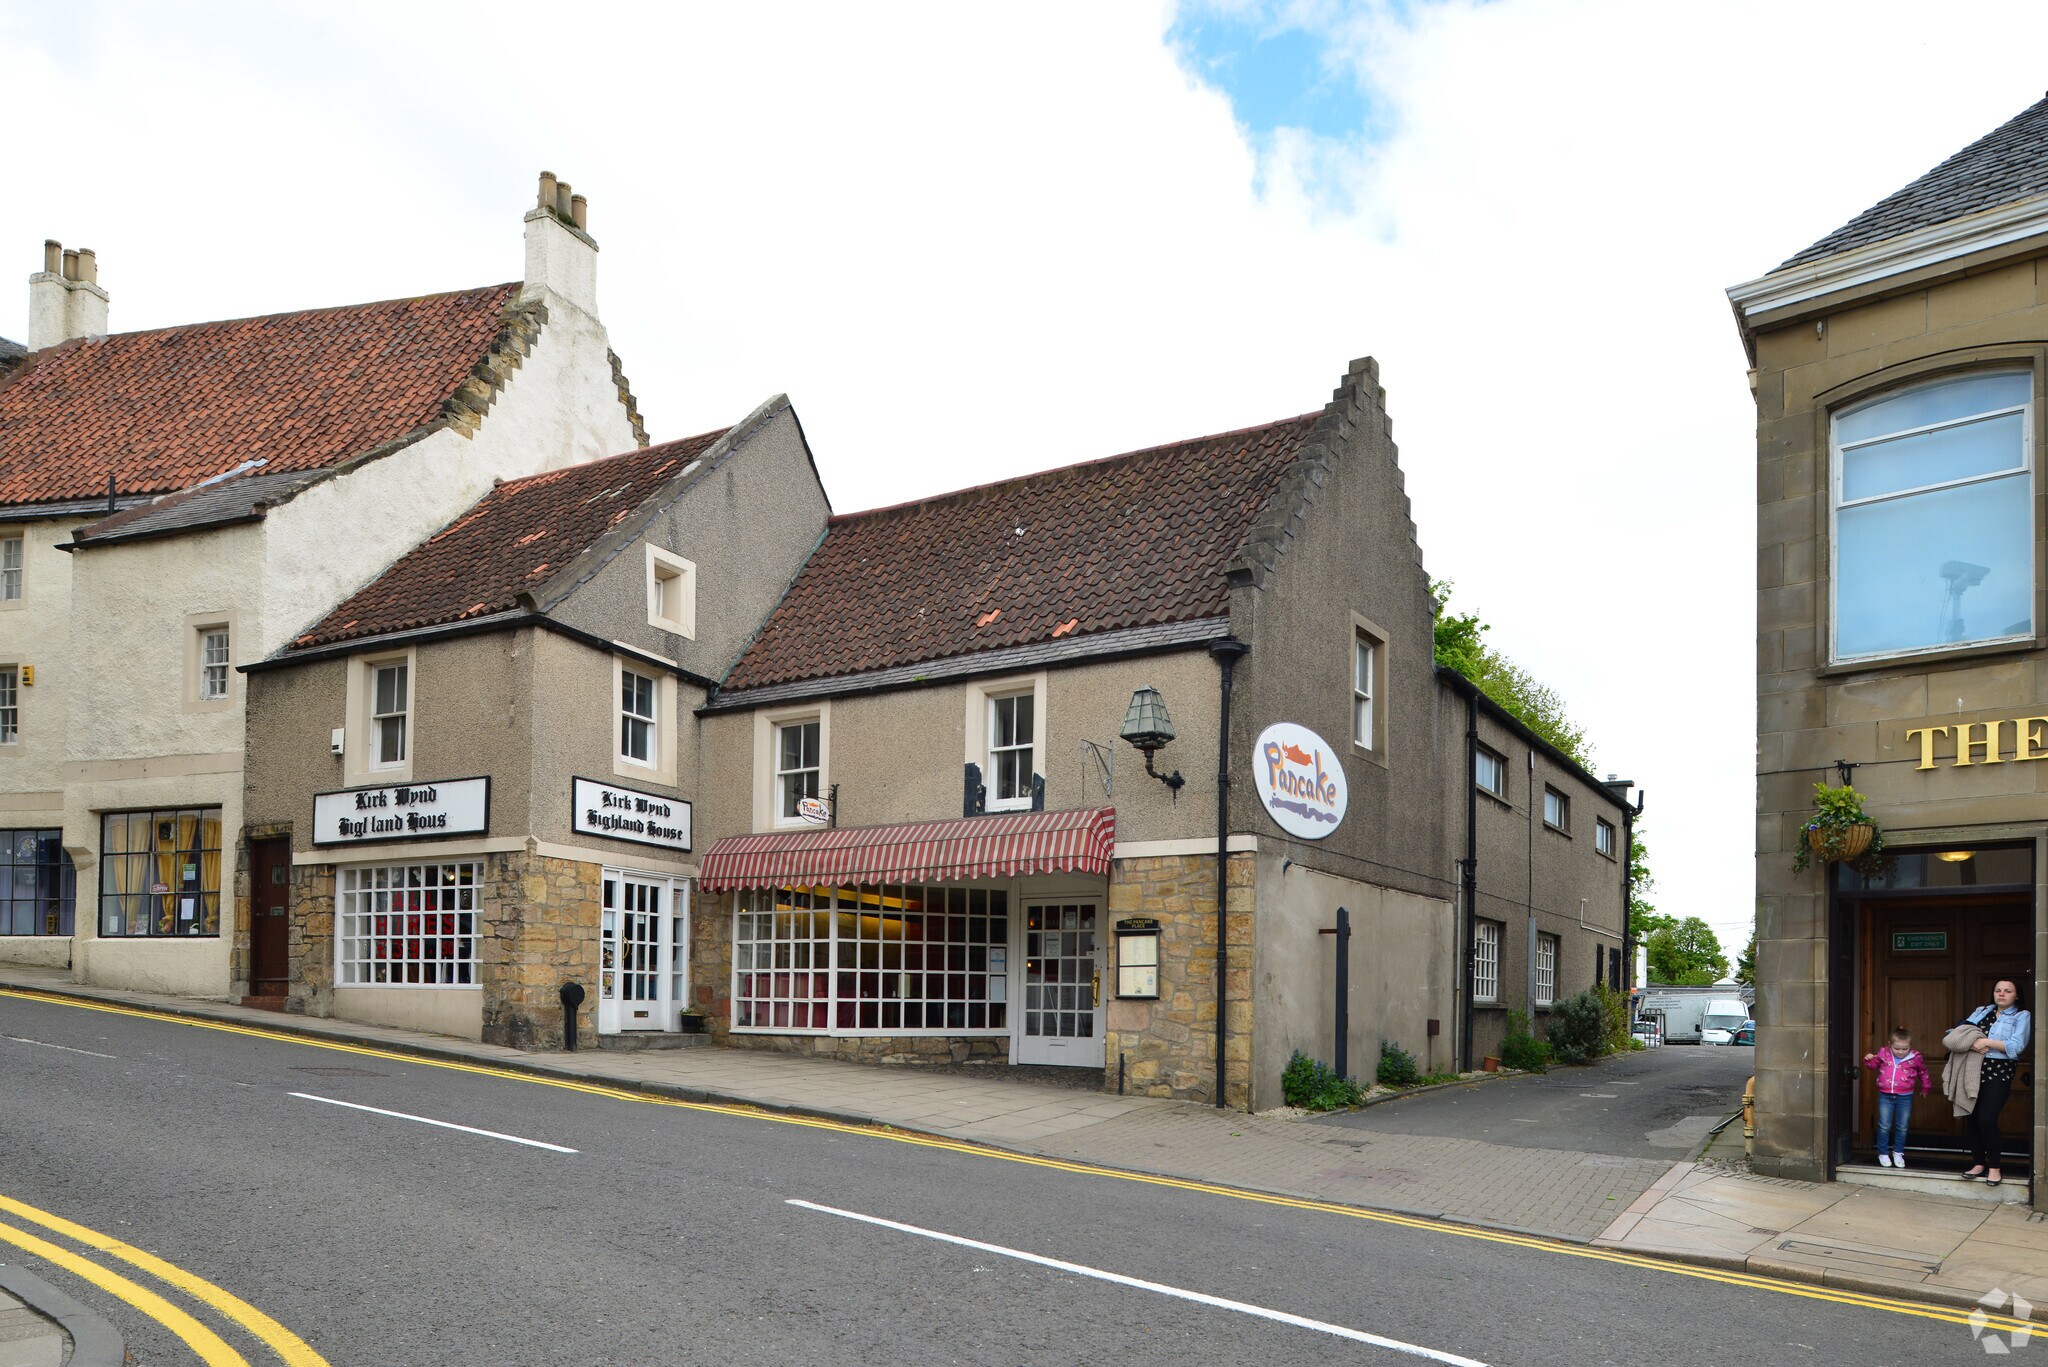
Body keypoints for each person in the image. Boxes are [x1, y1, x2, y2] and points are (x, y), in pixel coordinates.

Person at [1959, 979, 2033, 1187]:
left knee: (1987, 1118)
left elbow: (2017, 1046)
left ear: (2016, 995)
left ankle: (1995, 1167)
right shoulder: (1982, 1011)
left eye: (2007, 991)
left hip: (1999, 1071)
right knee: (1971, 1116)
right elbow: (1957, 1032)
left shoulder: (2022, 1016)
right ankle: (1978, 1163)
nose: (2001, 994)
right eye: (1998, 990)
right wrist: (1973, 1043)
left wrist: (1986, 1042)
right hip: (1973, 1068)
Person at [1862, 1026, 1931, 1167]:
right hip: (1885, 1096)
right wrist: (1868, 1060)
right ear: (1889, 1044)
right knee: (1884, 1125)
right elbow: (1872, 1066)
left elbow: (1923, 1072)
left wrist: (1926, 1087)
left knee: (1902, 1126)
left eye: (1904, 1049)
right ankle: (1883, 1153)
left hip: (1905, 1097)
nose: (1900, 1052)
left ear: (1910, 1046)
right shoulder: (1883, 1053)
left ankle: (1898, 1152)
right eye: (1897, 1048)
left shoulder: (1916, 1057)